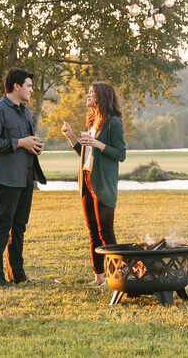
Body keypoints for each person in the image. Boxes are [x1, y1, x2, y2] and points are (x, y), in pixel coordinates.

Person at [0, 68, 48, 287]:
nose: (32, 90)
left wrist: (34, 145)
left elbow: (24, 142)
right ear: (16, 86)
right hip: (6, 178)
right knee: (2, 225)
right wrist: (20, 142)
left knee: (19, 227)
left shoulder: (26, 112)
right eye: (29, 85)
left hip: (26, 177)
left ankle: (18, 275)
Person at [61, 82, 127, 286]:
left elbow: (120, 154)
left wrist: (99, 144)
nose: (88, 95)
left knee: (105, 230)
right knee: (92, 230)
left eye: (91, 92)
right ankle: (99, 277)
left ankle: (115, 276)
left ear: (102, 97)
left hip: (103, 183)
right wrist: (71, 137)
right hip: (87, 180)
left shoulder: (113, 123)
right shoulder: (92, 120)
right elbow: (86, 154)